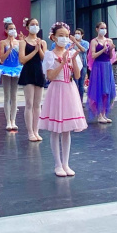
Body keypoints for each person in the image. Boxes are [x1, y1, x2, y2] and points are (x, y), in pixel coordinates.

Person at [38, 21, 88, 177]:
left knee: (67, 130)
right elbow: (50, 76)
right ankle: (57, 164)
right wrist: (62, 62)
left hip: (70, 89)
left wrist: (72, 59)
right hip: (57, 89)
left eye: (67, 36)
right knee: (56, 130)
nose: (64, 39)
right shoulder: (49, 54)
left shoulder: (71, 52)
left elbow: (78, 76)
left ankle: (66, 164)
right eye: (61, 36)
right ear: (53, 37)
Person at [19, 18, 47, 141]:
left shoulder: (42, 42)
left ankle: (36, 130)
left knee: (38, 104)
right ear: (27, 27)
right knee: (29, 103)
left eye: (36, 24)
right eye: (32, 25)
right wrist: (34, 50)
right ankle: (30, 132)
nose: (35, 27)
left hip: (39, 71)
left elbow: (44, 58)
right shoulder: (23, 42)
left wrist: (39, 48)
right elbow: (22, 60)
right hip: (28, 72)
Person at [86, 22, 117, 124]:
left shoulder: (109, 40)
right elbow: (93, 55)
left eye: (105, 28)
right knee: (99, 89)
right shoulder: (94, 41)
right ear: (97, 29)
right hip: (98, 66)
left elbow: (111, 57)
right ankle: (99, 114)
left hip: (107, 66)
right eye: (101, 28)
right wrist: (103, 49)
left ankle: (104, 113)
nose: (103, 30)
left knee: (107, 91)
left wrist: (111, 49)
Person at [70, 28, 89, 103]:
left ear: (82, 35)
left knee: (81, 84)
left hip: (83, 65)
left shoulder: (85, 43)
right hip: (74, 65)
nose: (77, 35)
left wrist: (75, 42)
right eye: (76, 33)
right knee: (75, 83)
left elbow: (83, 50)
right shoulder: (71, 43)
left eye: (79, 33)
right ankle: (74, 101)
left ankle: (80, 101)